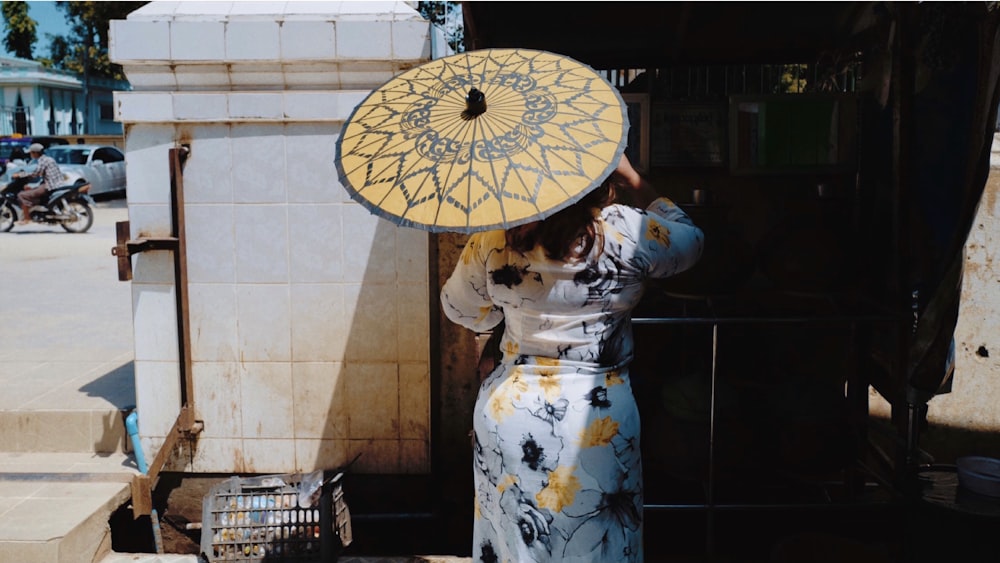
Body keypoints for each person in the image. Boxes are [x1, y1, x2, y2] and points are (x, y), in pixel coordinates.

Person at [441, 154, 704, 563]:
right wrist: (635, 180)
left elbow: (458, 308)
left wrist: (500, 309)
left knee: (518, 546)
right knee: (599, 547)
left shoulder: (495, 238)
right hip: (598, 415)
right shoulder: (625, 230)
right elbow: (691, 241)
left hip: (513, 412)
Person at [15, 143, 64, 224]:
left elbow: (36, 173)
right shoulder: (49, 159)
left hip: (49, 185)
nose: (30, 155)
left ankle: (27, 218)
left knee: (21, 195)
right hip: (57, 184)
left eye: (31, 153)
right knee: (32, 189)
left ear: (35, 153)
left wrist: (19, 175)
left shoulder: (42, 161)